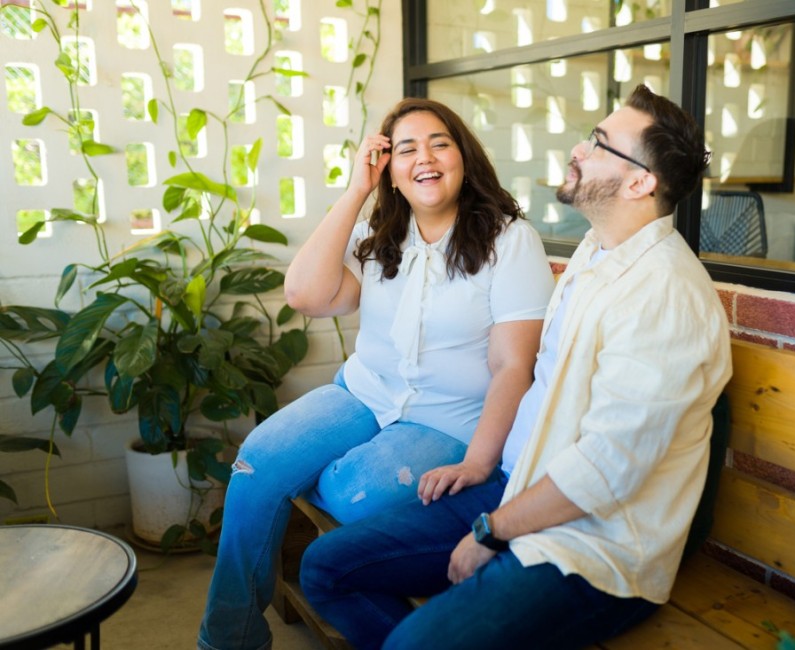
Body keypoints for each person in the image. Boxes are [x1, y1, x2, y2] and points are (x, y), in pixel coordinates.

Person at [298, 84, 733, 650]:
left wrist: (492, 530)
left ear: (640, 182)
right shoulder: (598, 253)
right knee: (325, 567)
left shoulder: (665, 295)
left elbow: (607, 472)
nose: (579, 147)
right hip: (516, 487)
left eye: (599, 143)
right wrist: (483, 469)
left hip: (590, 547)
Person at [197, 98, 555, 650]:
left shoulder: (509, 241)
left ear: (464, 156)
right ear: (388, 166)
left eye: (440, 143)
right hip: (362, 394)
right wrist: (354, 191)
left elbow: (514, 365)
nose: (425, 158)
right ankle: (228, 639)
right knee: (256, 465)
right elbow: (305, 295)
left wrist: (479, 461)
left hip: (446, 421)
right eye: (406, 149)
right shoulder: (382, 229)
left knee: (351, 495)